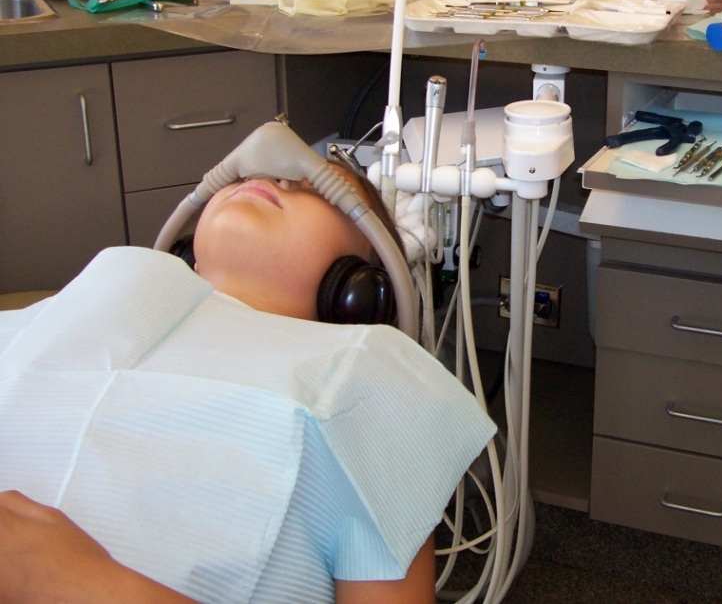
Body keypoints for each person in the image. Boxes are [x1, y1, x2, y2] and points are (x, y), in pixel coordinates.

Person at [0, 152, 495, 604]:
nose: (273, 174)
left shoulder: (367, 379)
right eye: (248, 173)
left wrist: (85, 585)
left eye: (318, 187)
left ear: (356, 290)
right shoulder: (104, 287)